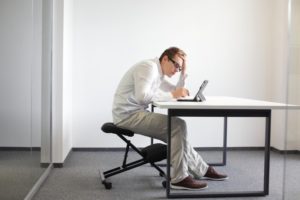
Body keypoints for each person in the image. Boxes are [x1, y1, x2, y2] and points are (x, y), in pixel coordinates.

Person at [112, 47, 227, 190]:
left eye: (179, 68)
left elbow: (174, 90)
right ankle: (179, 178)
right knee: (178, 126)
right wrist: (174, 95)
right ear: (165, 58)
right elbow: (142, 97)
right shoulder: (149, 68)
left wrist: (183, 74)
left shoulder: (158, 73)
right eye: (176, 65)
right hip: (127, 115)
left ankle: (201, 169)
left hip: (134, 113)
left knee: (178, 132)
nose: (176, 70)